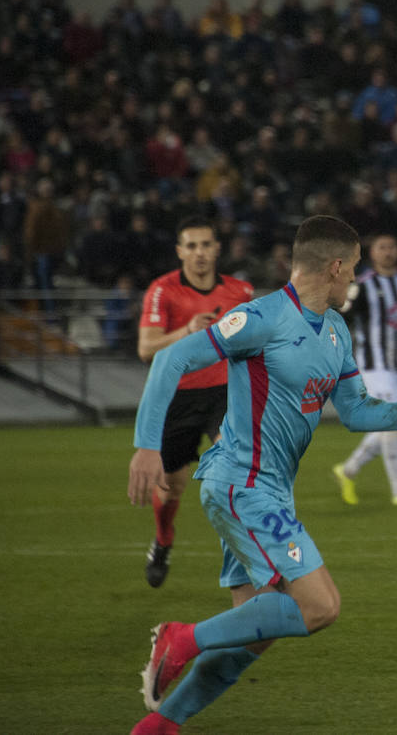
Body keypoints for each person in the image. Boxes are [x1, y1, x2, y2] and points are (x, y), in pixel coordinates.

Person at [126, 216, 397, 735]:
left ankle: (160, 725)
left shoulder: (335, 330)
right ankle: (180, 638)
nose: (354, 278)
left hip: (267, 493)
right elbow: (171, 359)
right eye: (352, 268)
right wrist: (148, 446)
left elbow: (356, 413)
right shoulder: (261, 318)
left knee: (255, 633)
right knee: (320, 606)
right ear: (334, 267)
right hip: (243, 486)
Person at [135, 215, 255, 588]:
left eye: (206, 245)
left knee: (235, 465)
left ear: (217, 249)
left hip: (224, 394)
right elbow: (146, 349)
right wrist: (187, 331)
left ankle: (246, 554)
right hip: (178, 397)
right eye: (191, 245)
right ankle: (164, 538)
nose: (199, 253)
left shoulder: (242, 292)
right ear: (179, 251)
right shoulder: (162, 291)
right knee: (171, 485)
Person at [332, 234, 397, 507]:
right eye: (382, 247)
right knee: (392, 424)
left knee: (391, 425)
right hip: (374, 367)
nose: (388, 252)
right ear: (372, 254)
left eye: (392, 246)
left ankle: (349, 469)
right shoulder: (363, 285)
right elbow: (343, 316)